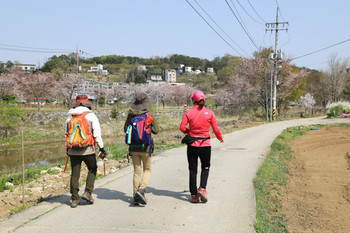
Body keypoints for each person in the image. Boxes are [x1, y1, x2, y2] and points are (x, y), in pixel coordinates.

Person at [180, 91, 224, 203]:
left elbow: (182, 127)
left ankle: (194, 195)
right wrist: (220, 138)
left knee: (193, 170)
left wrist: (190, 131)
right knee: (205, 167)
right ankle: (203, 189)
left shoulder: (188, 113)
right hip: (205, 145)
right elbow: (215, 129)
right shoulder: (209, 113)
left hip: (192, 145)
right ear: (204, 100)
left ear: (193, 100)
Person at [65, 95, 106, 208]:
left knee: (75, 174)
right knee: (92, 168)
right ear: (87, 104)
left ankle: (74, 199)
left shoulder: (70, 116)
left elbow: (66, 134)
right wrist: (101, 148)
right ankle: (88, 192)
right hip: (87, 149)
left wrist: (67, 148)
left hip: (73, 149)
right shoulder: (91, 116)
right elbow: (97, 134)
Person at [124, 93, 159, 205]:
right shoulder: (149, 114)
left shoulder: (131, 114)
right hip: (146, 147)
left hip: (133, 147)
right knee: (147, 170)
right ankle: (141, 190)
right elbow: (156, 130)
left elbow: (125, 129)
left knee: (136, 172)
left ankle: (135, 195)